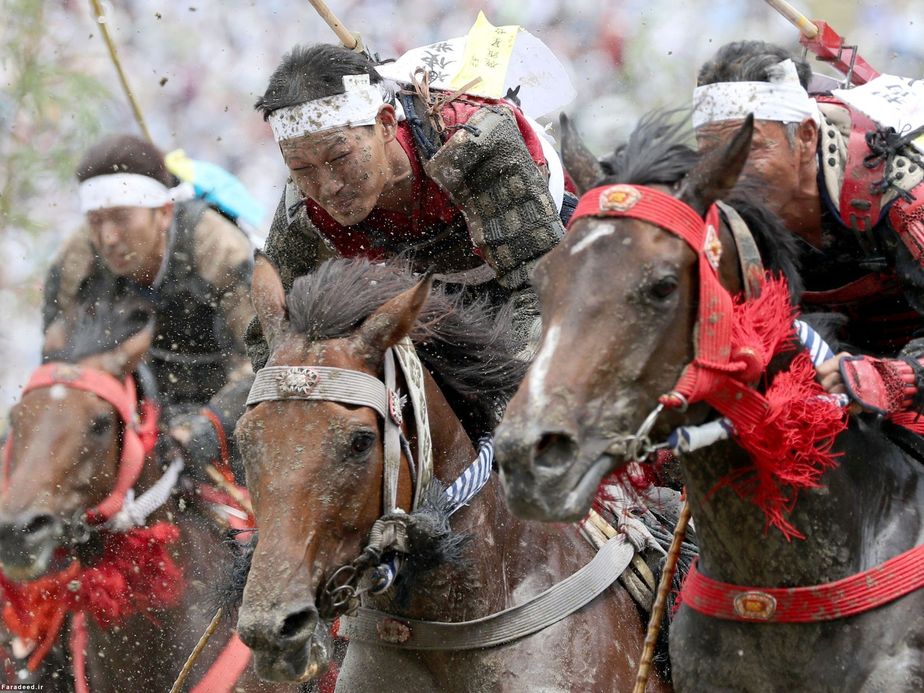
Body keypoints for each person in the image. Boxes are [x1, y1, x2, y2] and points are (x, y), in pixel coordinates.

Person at [245, 43, 574, 385]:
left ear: (386, 123)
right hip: (430, 302)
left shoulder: (473, 143)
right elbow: (271, 336)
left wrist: (501, 390)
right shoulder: (304, 210)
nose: (328, 187)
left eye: (340, 158)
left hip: (545, 260)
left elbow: (546, 289)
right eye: (301, 167)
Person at [693, 40, 924, 418]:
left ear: (804, 137)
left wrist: (897, 377)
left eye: (747, 148)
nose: (726, 173)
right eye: (709, 152)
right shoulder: (713, 220)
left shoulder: (900, 190)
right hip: (817, 394)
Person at [42, 134, 256, 475]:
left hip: (221, 410)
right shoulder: (76, 259)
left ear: (165, 213)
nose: (108, 238)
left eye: (122, 218)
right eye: (96, 221)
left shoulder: (218, 250)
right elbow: (56, 363)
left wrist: (200, 432)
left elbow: (259, 363)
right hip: (123, 414)